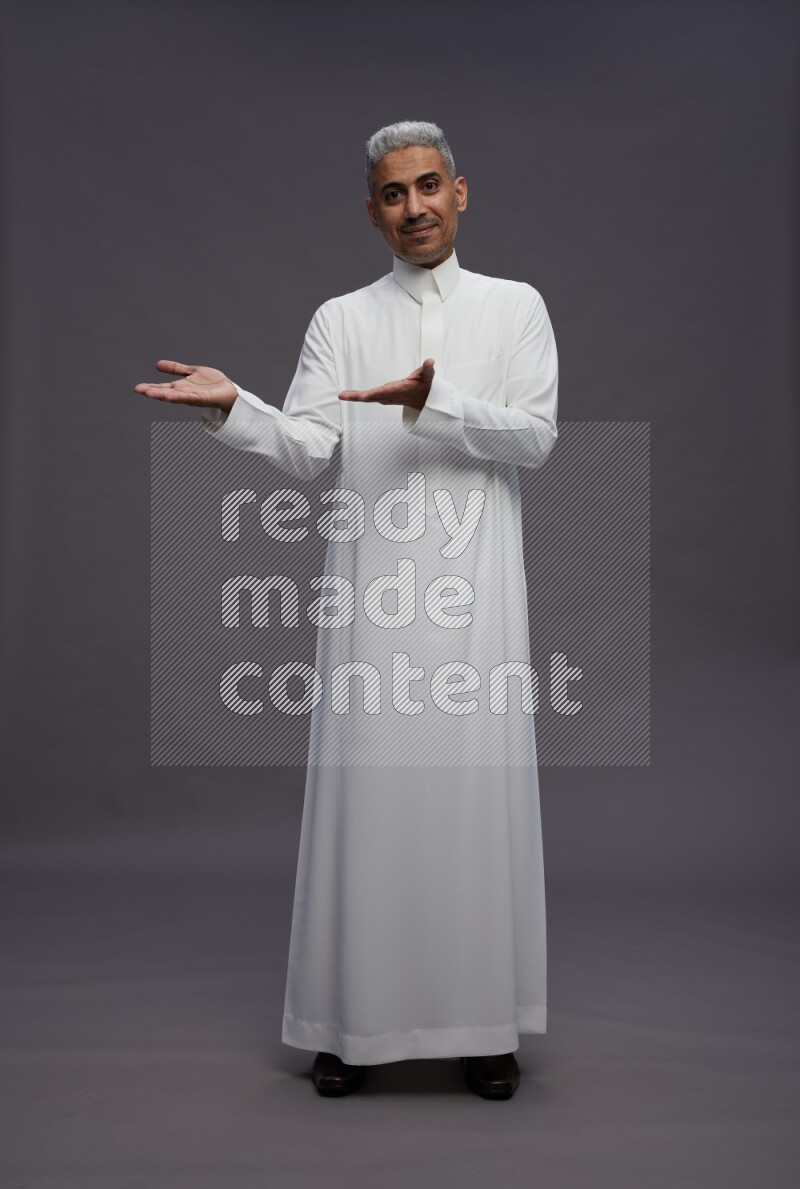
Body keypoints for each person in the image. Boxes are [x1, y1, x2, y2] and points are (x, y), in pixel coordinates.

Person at [135, 120, 559, 1100]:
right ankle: (349, 1025)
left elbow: (532, 438)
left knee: (472, 805)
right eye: (391, 194)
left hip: (475, 601)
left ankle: (482, 1025)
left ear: (459, 192)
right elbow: (305, 448)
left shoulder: (514, 309)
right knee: (367, 809)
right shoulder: (340, 319)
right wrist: (232, 404)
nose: (411, 207)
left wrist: (432, 401)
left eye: (426, 187)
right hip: (371, 597)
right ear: (371, 211)